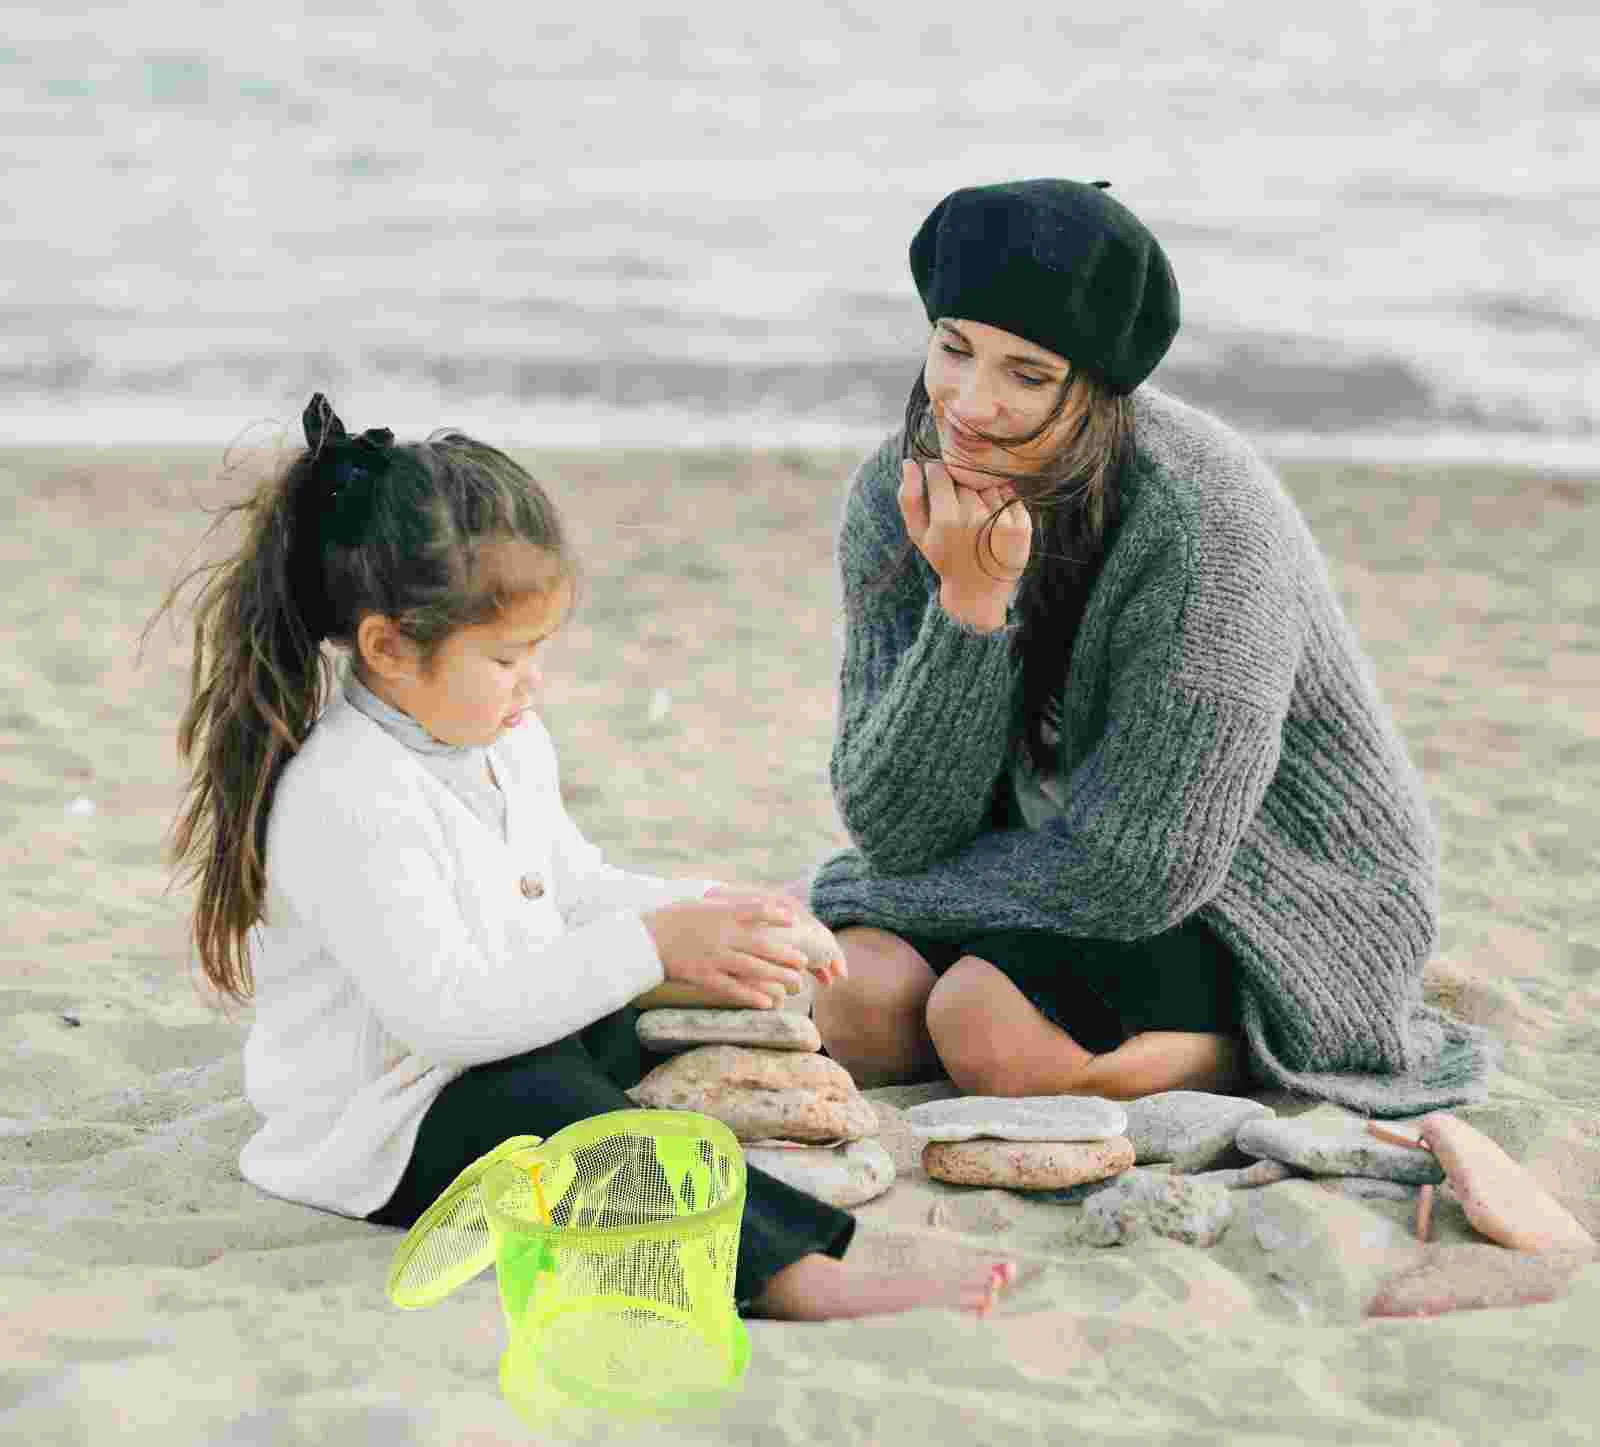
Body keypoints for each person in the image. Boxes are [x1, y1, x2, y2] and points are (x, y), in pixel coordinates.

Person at [146, 394, 1016, 1320]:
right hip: (390, 1119)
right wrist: (654, 946)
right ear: (389, 648)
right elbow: (447, 1021)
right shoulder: (347, 793)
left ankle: (798, 1221)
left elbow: (569, 885)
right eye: (508, 659)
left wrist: (717, 906)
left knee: (654, 1033)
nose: (534, 684)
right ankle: (797, 1272)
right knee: (556, 1116)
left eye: (539, 652)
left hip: (504, 1031)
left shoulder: (501, 739)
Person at [808, 178, 1501, 1115]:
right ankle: (1025, 1000)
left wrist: (881, 891)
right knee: (848, 1000)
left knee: (986, 1029)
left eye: (1028, 374)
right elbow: (894, 828)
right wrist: (970, 606)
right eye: (954, 349)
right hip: (1037, 861)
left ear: (1095, 386)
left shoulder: (1207, 522)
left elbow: (1142, 875)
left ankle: (1235, 1052)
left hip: (1256, 890)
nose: (970, 403)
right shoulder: (899, 493)